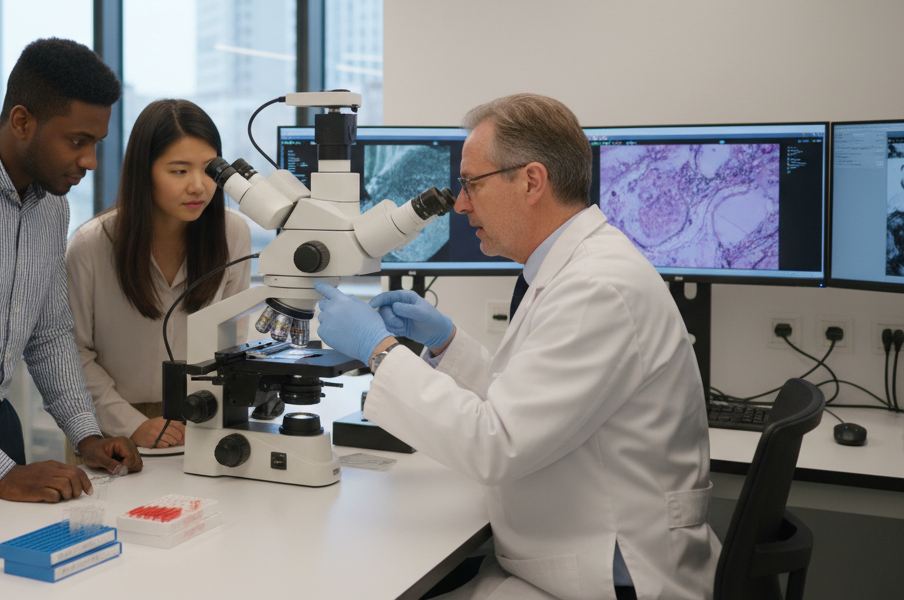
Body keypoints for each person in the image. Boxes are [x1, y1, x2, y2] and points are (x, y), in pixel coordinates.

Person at [314, 94, 719, 600]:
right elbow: (527, 404)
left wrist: (379, 351)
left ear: (531, 181)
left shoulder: (596, 287)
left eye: (471, 184)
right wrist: (446, 344)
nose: (460, 205)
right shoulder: (570, 269)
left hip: (612, 574)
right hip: (569, 553)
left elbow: (495, 444)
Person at [0, 38, 141, 513]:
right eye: (77, 141)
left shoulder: (53, 208)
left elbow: (50, 332)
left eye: (96, 144)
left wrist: (86, 433)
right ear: (21, 121)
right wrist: (2, 473)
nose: (90, 161)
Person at [67, 99, 252, 449]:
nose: (198, 186)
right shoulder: (91, 245)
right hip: (106, 428)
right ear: (144, 171)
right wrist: (132, 424)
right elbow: (73, 353)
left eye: (209, 169)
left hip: (199, 418)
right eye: (179, 171)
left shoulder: (233, 234)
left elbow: (232, 337)